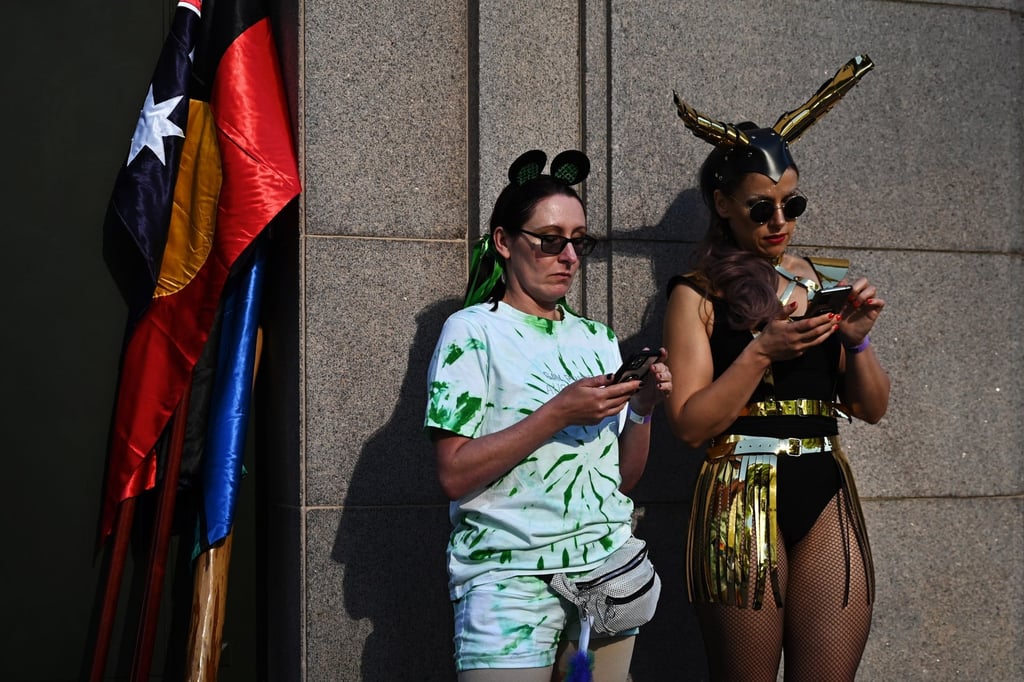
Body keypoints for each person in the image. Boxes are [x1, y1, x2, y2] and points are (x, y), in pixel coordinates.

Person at [662, 55, 890, 681]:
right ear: (723, 204)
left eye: (793, 204)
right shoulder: (698, 292)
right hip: (740, 488)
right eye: (761, 208)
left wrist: (859, 342)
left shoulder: (828, 280)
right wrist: (761, 352)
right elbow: (687, 424)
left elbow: (871, 408)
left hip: (825, 481)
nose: (780, 223)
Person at [424, 149, 672, 682]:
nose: (569, 256)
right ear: (504, 241)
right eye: (550, 239)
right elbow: (453, 473)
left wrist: (644, 409)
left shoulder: (598, 339)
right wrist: (558, 412)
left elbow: (620, 481)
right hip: (506, 582)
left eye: (579, 241)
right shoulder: (472, 332)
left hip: (605, 576)